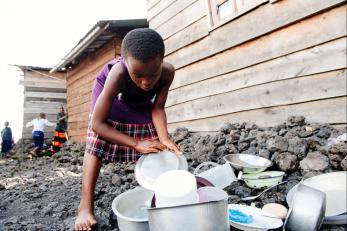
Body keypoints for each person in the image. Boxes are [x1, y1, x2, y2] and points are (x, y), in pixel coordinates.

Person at [74, 28, 182, 230]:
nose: (147, 81)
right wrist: (135, 143)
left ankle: (161, 200)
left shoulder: (167, 73)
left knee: (157, 146)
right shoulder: (118, 73)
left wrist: (165, 138)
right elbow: (97, 124)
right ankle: (85, 206)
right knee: (97, 143)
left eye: (153, 74)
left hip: (139, 102)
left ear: (162, 62)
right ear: (125, 62)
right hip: (111, 97)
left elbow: (157, 108)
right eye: (138, 74)